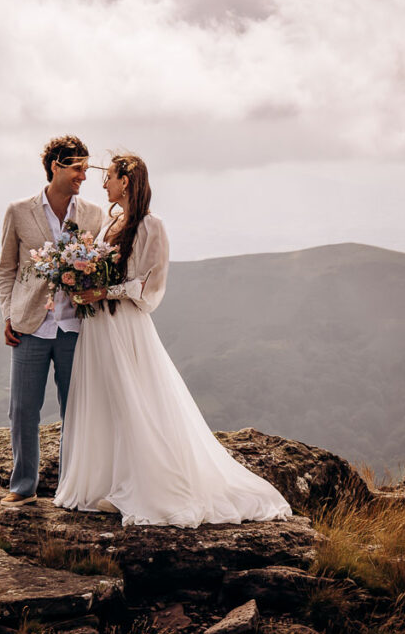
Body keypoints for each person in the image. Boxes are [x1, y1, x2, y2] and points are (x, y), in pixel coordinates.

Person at [53, 153, 292, 526]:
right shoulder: (110, 223)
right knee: (104, 401)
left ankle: (144, 485)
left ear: (127, 181)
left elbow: (150, 286)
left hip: (124, 325)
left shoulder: (151, 226)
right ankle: (109, 482)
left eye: (110, 177)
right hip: (98, 327)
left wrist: (104, 293)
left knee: (132, 400)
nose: (104, 184)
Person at [0, 135, 105, 506]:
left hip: (76, 326)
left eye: (86, 170)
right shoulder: (18, 211)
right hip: (30, 325)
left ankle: (70, 489)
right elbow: (6, 269)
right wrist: (8, 314)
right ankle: (23, 486)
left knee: (75, 408)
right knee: (23, 409)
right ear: (56, 166)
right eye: (77, 168)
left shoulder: (93, 214)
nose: (83, 177)